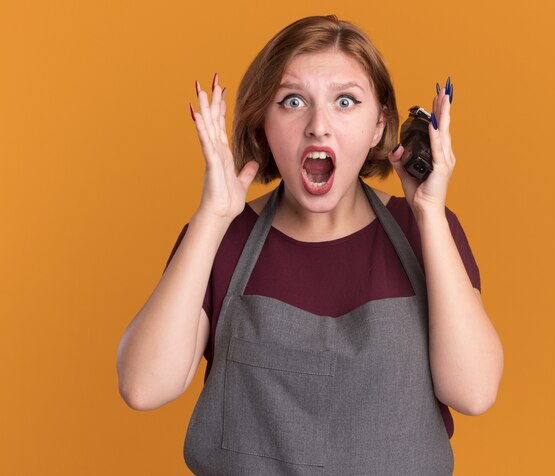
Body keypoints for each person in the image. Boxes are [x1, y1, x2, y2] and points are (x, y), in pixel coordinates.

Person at [117, 15, 503, 475]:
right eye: (293, 101)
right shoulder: (222, 236)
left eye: (345, 101)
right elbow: (143, 387)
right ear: (263, 123)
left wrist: (431, 214)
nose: (318, 126)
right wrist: (212, 217)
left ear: (380, 125)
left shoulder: (427, 231)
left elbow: (474, 393)